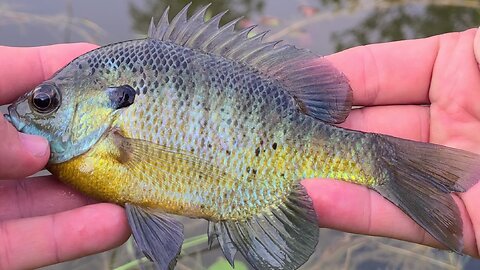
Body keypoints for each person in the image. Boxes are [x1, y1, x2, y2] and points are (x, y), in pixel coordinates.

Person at [1, 28, 480, 269]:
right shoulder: (92, 149)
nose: (26, 113)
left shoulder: (103, 144)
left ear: (106, 105)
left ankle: (385, 164)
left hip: (274, 148)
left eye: (46, 102)